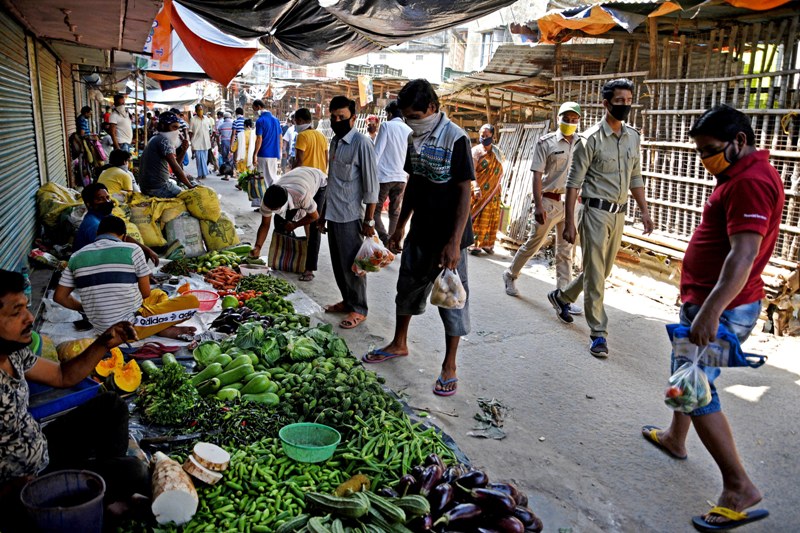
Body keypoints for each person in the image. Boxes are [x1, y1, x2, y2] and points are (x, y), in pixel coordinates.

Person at [641, 105, 783, 532]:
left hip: (720, 309)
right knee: (690, 379)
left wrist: (709, 313)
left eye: (710, 150)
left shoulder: (751, 184)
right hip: (709, 302)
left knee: (692, 389)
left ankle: (739, 487)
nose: (705, 160)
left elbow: (743, 257)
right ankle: (675, 438)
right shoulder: (739, 176)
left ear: (739, 141)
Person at [0, 269, 148, 531]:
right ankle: (100, 494)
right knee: (134, 471)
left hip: (41, 447)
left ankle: (101, 488)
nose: (30, 318)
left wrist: (104, 342)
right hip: (28, 486)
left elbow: (62, 375)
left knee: (111, 404)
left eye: (26, 308)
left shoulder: (13, 354)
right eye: (16, 312)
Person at [363, 79, 474, 397]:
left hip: (449, 236)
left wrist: (454, 242)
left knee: (451, 299)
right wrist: (399, 226)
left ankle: (449, 365)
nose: (410, 121)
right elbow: (415, 183)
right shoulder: (415, 137)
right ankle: (399, 343)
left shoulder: (456, 138)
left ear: (432, 109)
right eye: (407, 116)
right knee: (407, 289)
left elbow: (465, 190)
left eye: (415, 115)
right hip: (420, 231)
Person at [548, 78, 654, 357]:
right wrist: (569, 222)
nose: (625, 106)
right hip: (594, 212)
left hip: (618, 214)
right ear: (606, 104)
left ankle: (561, 296)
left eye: (629, 101)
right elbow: (573, 183)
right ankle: (598, 333)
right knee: (596, 276)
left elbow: (635, 176)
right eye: (619, 101)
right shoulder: (589, 139)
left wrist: (643, 209)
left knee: (602, 271)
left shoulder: (633, 136)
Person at [56, 216, 200, 339]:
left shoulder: (76, 256)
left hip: (99, 327)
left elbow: (59, 297)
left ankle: (156, 326)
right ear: (124, 237)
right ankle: (157, 327)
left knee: (159, 294)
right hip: (128, 328)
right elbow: (145, 293)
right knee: (192, 301)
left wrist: (85, 308)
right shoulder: (132, 249)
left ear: (98, 234)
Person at [503, 102, 583, 310]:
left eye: (574, 120)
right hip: (548, 201)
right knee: (534, 243)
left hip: (571, 203)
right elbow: (537, 175)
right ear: (558, 118)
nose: (570, 123)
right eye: (566, 119)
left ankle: (563, 296)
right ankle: (511, 274)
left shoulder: (582, 144)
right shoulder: (545, 143)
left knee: (566, 251)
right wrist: (538, 205)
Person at [321, 96, 378, 329]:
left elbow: (372, 186)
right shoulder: (334, 142)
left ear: (353, 118)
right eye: (333, 117)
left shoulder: (362, 144)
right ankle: (347, 300)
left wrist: (370, 220)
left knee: (353, 267)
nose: (337, 120)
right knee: (338, 263)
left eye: (342, 117)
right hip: (333, 212)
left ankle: (359, 308)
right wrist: (323, 212)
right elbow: (332, 180)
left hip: (351, 215)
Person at [250, 167, 328, 282]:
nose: (270, 210)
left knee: (314, 227)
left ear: (282, 205)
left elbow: (314, 216)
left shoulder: (301, 196)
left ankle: (309, 268)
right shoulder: (268, 199)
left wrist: (295, 225)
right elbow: (265, 224)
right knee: (281, 222)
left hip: (318, 182)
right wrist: (258, 247)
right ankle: (284, 259)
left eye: (274, 209)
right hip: (296, 179)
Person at [73, 183, 158, 265]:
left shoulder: (105, 215)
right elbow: (111, 253)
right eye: (100, 199)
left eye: (107, 197)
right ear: (89, 204)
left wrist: (147, 250)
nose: (106, 201)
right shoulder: (93, 225)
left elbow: (122, 236)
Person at [372, 100, 412, 245]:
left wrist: (369, 174)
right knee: (394, 212)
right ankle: (393, 242)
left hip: (384, 177)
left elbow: (376, 153)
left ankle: (385, 238)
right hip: (401, 177)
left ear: (389, 114)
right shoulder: (409, 129)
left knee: (374, 211)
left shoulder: (386, 126)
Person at [139, 111, 195, 198]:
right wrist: (190, 186)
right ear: (162, 126)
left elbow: (176, 164)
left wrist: (184, 151)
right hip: (158, 187)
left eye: (177, 128)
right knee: (189, 197)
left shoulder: (156, 137)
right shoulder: (163, 141)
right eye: (174, 127)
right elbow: (176, 169)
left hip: (147, 186)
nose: (176, 131)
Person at [468, 124, 505, 255]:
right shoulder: (475, 152)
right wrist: (476, 187)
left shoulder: (497, 152)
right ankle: (474, 245)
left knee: (491, 217)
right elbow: (471, 171)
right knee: (478, 216)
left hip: (494, 192)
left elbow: (501, 170)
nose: (483, 138)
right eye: (481, 136)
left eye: (486, 136)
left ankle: (488, 244)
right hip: (479, 190)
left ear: (493, 137)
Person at [253, 99, 282, 186]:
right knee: (272, 178)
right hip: (274, 154)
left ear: (258, 107)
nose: (254, 112)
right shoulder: (276, 120)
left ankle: (263, 198)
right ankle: (272, 197)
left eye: (254, 109)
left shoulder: (260, 121)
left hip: (263, 154)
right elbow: (280, 137)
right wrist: (279, 151)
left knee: (262, 180)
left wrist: (254, 154)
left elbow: (259, 139)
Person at [293, 107, 328, 173]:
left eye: (296, 121)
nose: (295, 125)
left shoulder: (302, 136)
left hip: (307, 176)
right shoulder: (322, 136)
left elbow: (299, 161)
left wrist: (291, 174)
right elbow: (326, 160)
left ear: (300, 120)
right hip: (320, 177)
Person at [188, 104, 214, 180]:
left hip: (206, 142)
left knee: (205, 159)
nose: (200, 111)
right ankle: (200, 174)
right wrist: (191, 142)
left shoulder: (207, 119)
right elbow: (190, 132)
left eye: (201, 109)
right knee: (199, 160)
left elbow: (210, 130)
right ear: (196, 111)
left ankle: (204, 174)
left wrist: (211, 138)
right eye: (199, 110)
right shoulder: (192, 119)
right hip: (196, 142)